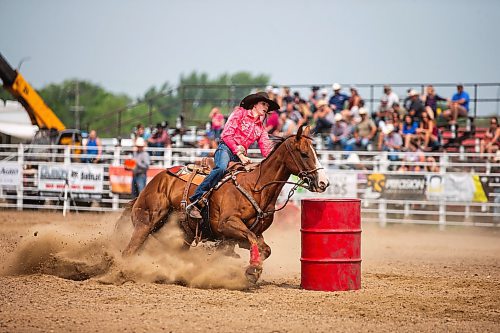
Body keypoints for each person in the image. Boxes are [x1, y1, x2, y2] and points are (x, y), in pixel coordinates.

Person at [186, 92, 279, 219]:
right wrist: (241, 155)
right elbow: (226, 135)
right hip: (226, 149)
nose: (266, 107)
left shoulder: (260, 129)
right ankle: (196, 200)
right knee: (221, 168)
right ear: (255, 104)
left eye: (267, 105)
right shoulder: (239, 113)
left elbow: (267, 149)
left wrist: (277, 157)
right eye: (263, 104)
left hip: (238, 156)